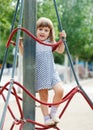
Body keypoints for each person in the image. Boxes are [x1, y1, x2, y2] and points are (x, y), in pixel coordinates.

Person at [19, 17, 66, 126]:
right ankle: (46, 118)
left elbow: (60, 50)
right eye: (40, 29)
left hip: (52, 72)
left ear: (49, 33)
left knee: (60, 90)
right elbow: (24, 54)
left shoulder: (50, 42)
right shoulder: (33, 43)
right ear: (35, 30)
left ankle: (53, 112)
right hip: (40, 73)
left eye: (46, 30)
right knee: (43, 97)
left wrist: (62, 40)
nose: (43, 32)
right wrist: (20, 45)